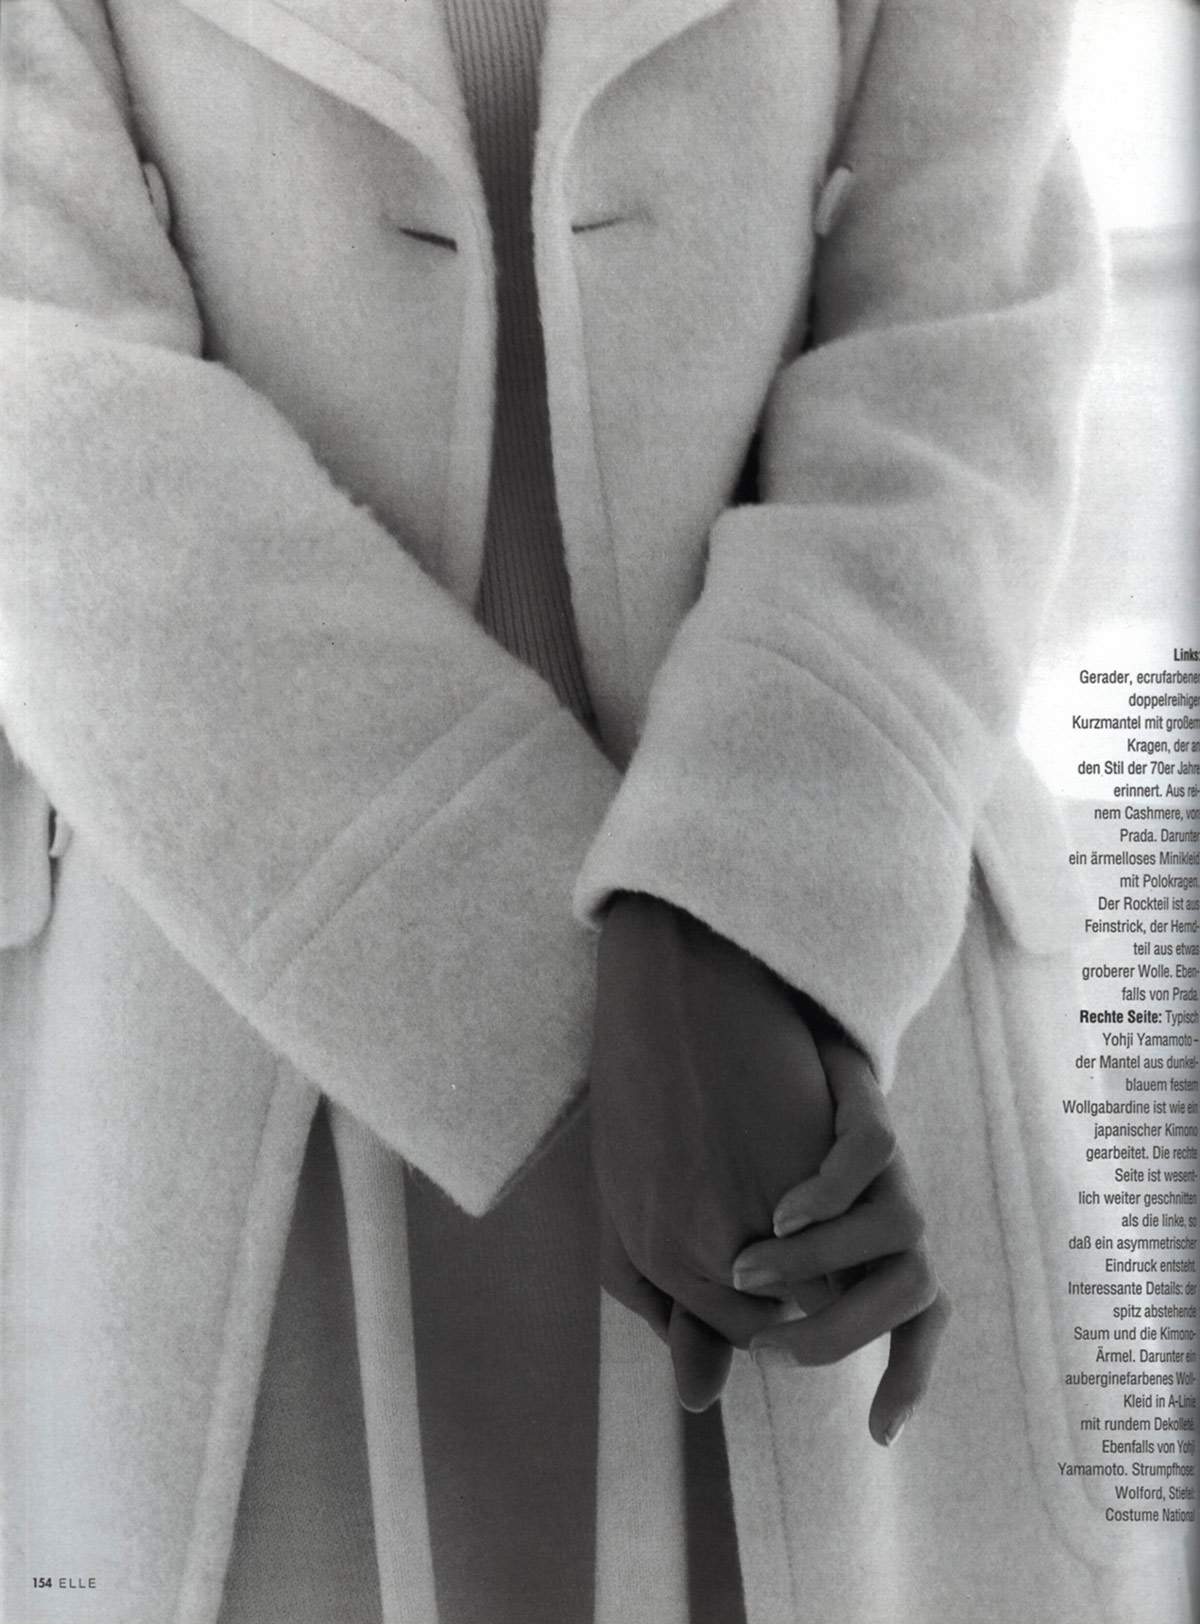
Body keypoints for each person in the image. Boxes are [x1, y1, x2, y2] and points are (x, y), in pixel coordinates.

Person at [1, 1, 1185, 1620]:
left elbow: (961, 328)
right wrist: (624, 996)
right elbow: (43, 421)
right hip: (259, 1042)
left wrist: (745, 912)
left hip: (813, 1055)